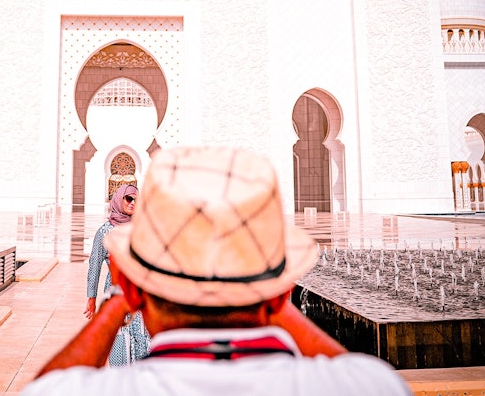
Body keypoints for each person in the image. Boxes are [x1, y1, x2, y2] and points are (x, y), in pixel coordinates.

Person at [22, 146, 411, 395]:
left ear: (135, 289)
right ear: (280, 292)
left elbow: (48, 385)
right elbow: (355, 370)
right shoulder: (367, 386)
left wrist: (115, 305)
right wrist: (274, 298)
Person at [83, 183, 150, 366]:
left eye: (136, 199)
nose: (132, 203)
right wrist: (91, 298)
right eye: (128, 198)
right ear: (119, 199)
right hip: (116, 292)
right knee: (120, 337)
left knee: (143, 337)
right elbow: (94, 265)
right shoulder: (105, 232)